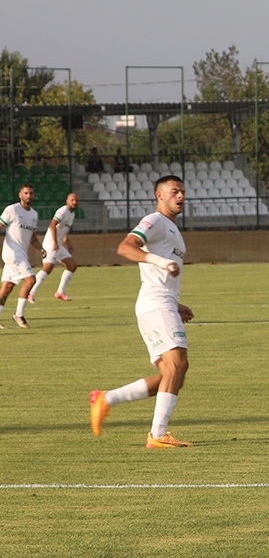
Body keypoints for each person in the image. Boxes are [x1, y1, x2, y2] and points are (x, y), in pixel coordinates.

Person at [89, 175, 195, 448]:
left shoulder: (171, 228)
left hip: (160, 303)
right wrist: (161, 262)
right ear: (160, 195)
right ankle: (158, 435)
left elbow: (159, 277)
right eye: (175, 191)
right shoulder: (155, 220)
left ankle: (106, 399)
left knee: (172, 375)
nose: (181, 196)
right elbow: (125, 247)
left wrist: (175, 303)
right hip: (155, 304)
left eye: (183, 192)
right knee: (178, 365)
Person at [0, 183, 47, 329]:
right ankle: (19, 315)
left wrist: (41, 248)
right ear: (20, 195)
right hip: (12, 253)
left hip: (21, 254)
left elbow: (32, 237)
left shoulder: (34, 214)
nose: (28, 195)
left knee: (6, 288)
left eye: (31, 193)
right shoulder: (12, 210)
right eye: (25, 193)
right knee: (31, 280)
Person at [28, 193, 79, 303]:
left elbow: (64, 231)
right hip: (51, 243)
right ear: (67, 201)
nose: (74, 202)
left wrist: (68, 244)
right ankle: (30, 292)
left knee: (72, 265)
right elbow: (52, 225)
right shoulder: (63, 211)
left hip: (58, 244)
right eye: (72, 200)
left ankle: (60, 292)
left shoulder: (72, 214)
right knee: (47, 268)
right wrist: (55, 242)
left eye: (76, 200)